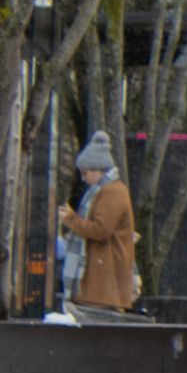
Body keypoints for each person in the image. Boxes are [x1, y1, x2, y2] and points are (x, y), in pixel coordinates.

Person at [58, 131, 138, 316]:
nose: (84, 178)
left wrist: (71, 219)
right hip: (102, 283)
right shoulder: (106, 190)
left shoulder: (111, 192)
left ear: (97, 169)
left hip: (104, 282)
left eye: (85, 173)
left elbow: (101, 231)